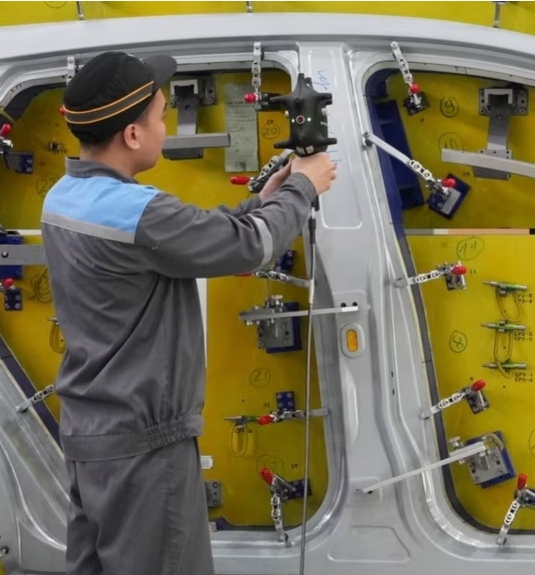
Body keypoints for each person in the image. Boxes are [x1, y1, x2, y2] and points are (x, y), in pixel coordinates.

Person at [40, 51, 337, 575]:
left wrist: (261, 201)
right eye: (159, 116)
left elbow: (188, 238)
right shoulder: (138, 212)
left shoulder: (67, 197)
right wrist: (304, 185)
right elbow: (251, 248)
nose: (165, 124)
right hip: (145, 445)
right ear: (133, 135)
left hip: (93, 435)